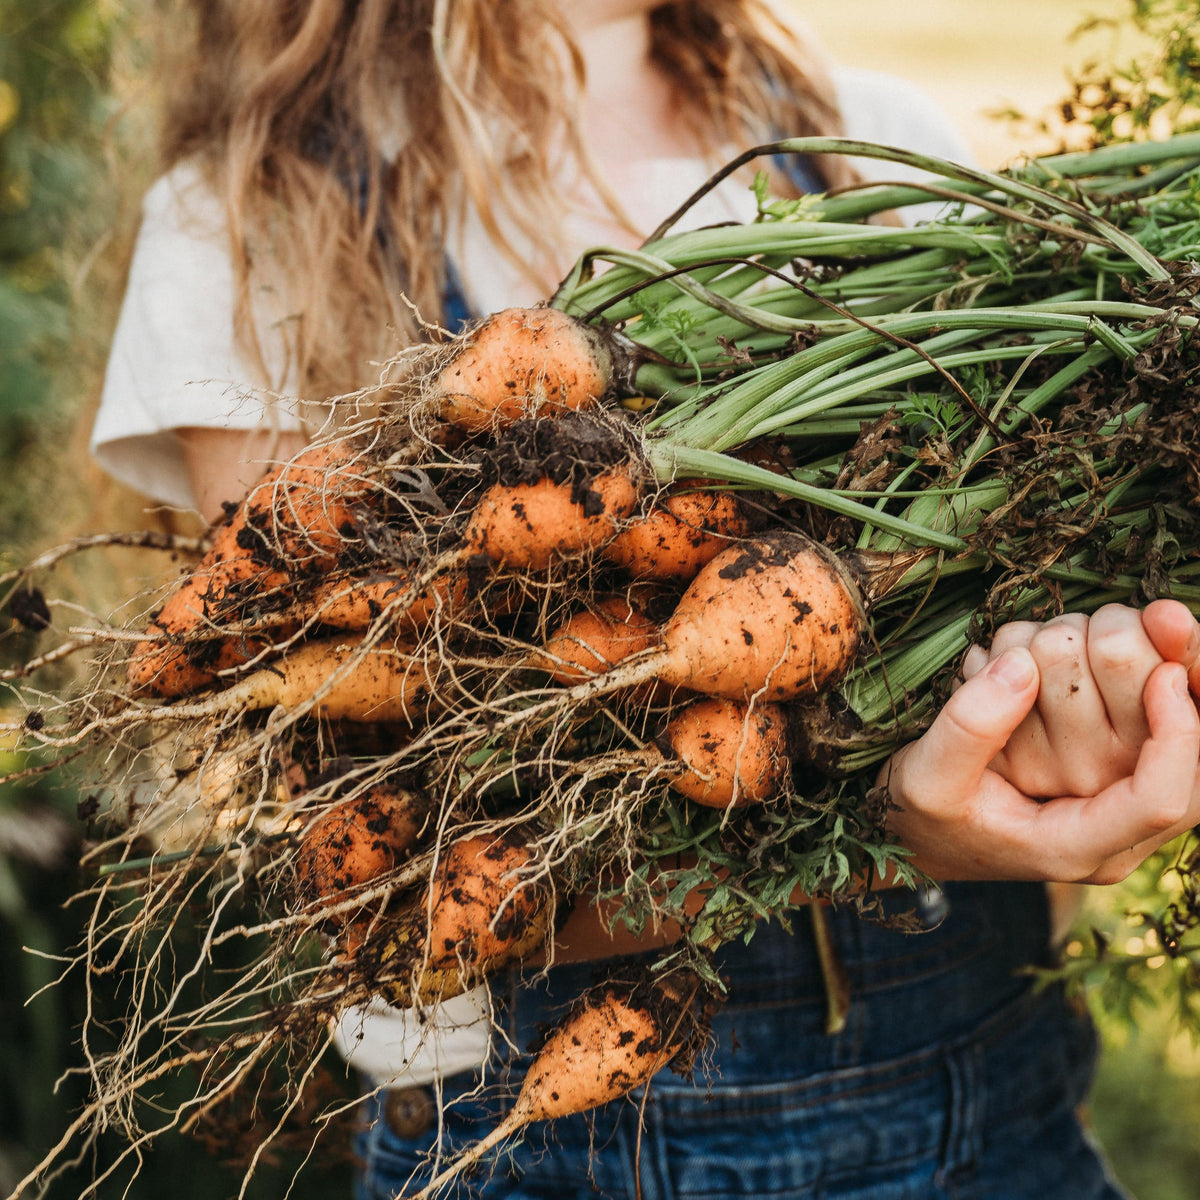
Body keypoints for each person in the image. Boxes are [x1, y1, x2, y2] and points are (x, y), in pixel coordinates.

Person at [89, 2, 1200, 1197]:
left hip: (989, 1124)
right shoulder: (259, 218)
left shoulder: (872, 148)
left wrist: (1079, 716)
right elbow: (377, 873)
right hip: (538, 1158)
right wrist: (888, 835)